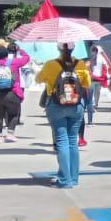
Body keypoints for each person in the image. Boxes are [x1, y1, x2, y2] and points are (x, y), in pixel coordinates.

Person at [35, 44, 90, 188]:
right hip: (76, 105)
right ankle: (73, 178)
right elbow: (87, 84)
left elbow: (38, 79)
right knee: (72, 141)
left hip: (56, 105)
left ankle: (65, 180)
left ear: (58, 49)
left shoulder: (51, 64)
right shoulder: (81, 64)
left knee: (61, 140)